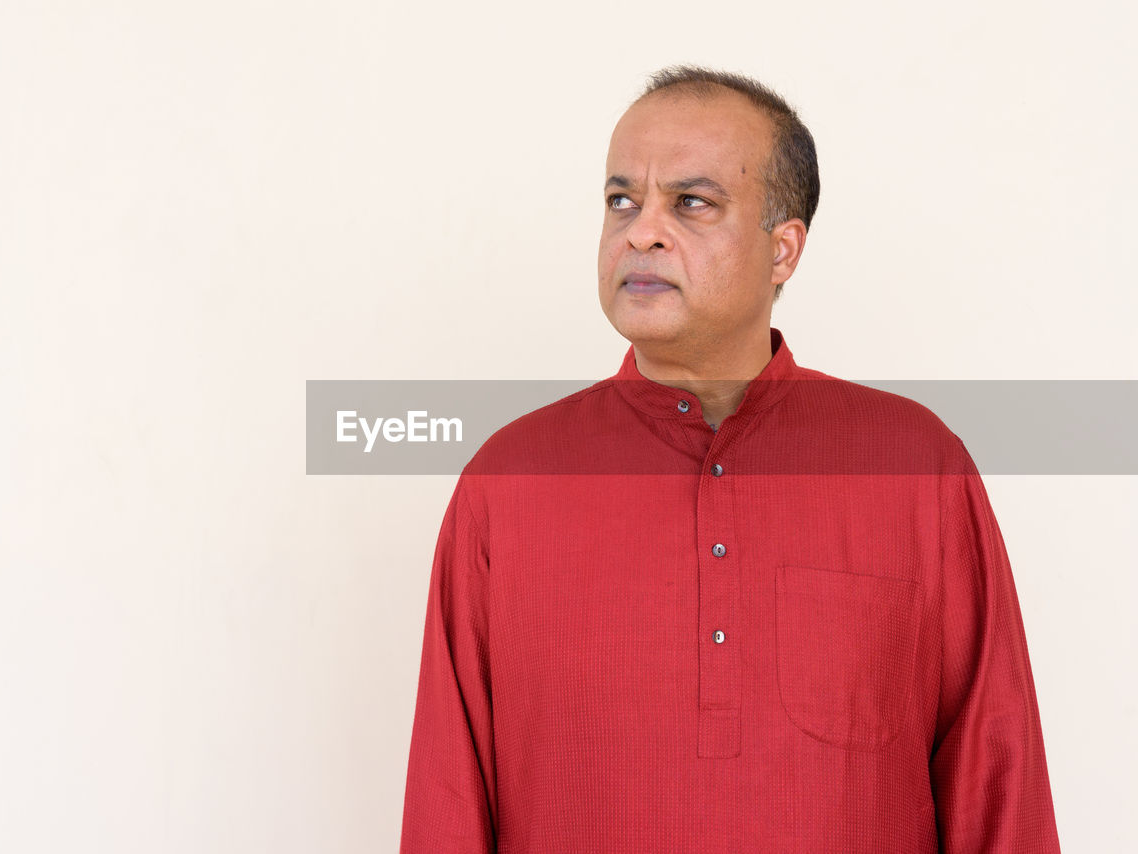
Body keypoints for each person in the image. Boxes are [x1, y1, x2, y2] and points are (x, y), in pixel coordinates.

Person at [399, 65, 1060, 853]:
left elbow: (1000, 782)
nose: (641, 231)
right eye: (621, 201)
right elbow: (446, 799)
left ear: (783, 250)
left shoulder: (914, 466)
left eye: (691, 202)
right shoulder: (508, 484)